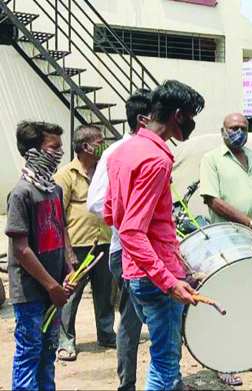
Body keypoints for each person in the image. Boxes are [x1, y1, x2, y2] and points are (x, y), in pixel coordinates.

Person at [104, 80, 203, 391]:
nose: (192, 124)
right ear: (178, 115)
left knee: (162, 360)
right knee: (165, 366)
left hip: (135, 270)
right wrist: (169, 281)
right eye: (191, 116)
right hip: (156, 277)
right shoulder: (157, 159)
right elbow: (133, 229)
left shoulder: (121, 151)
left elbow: (111, 213)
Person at [199, 113, 252, 385]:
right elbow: (213, 200)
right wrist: (250, 222)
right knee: (225, 300)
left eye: (243, 128)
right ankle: (222, 361)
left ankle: (248, 356)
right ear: (222, 131)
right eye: (233, 128)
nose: (239, 132)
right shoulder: (211, 159)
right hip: (226, 238)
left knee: (249, 298)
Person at [87, 89, 151, 391]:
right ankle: (128, 384)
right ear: (143, 119)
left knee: (168, 316)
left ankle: (170, 378)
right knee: (131, 319)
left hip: (155, 250)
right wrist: (133, 217)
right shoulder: (116, 153)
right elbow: (96, 202)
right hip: (126, 250)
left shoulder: (155, 150)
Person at [7, 121, 76, 391]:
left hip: (54, 290)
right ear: (34, 152)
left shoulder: (54, 190)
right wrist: (51, 286)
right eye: (54, 147)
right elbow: (21, 250)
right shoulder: (21, 193)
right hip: (31, 293)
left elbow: (61, 233)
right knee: (29, 353)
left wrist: (69, 269)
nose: (60, 153)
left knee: (48, 354)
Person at [53, 125, 115, 362]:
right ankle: (66, 341)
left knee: (105, 293)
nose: (104, 146)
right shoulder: (65, 175)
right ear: (85, 147)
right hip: (78, 246)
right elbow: (58, 217)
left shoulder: (105, 172)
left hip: (104, 242)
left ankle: (106, 334)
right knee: (70, 295)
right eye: (100, 142)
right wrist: (67, 251)